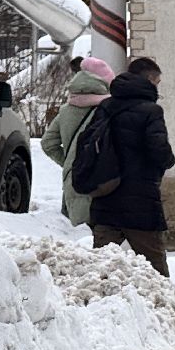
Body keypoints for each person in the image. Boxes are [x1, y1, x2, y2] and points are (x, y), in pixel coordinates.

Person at [90, 56, 175, 277]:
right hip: (141, 203)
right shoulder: (151, 111)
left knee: (100, 270)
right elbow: (159, 151)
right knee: (156, 271)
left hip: (105, 198)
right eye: (157, 82)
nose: (158, 88)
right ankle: (166, 309)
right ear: (148, 80)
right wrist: (168, 161)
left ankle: (94, 309)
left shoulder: (106, 106)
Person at [40, 56, 115, 225]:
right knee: (99, 237)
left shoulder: (66, 110)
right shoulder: (107, 110)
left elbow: (47, 143)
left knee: (80, 236)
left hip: (73, 177)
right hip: (101, 178)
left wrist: (69, 161)